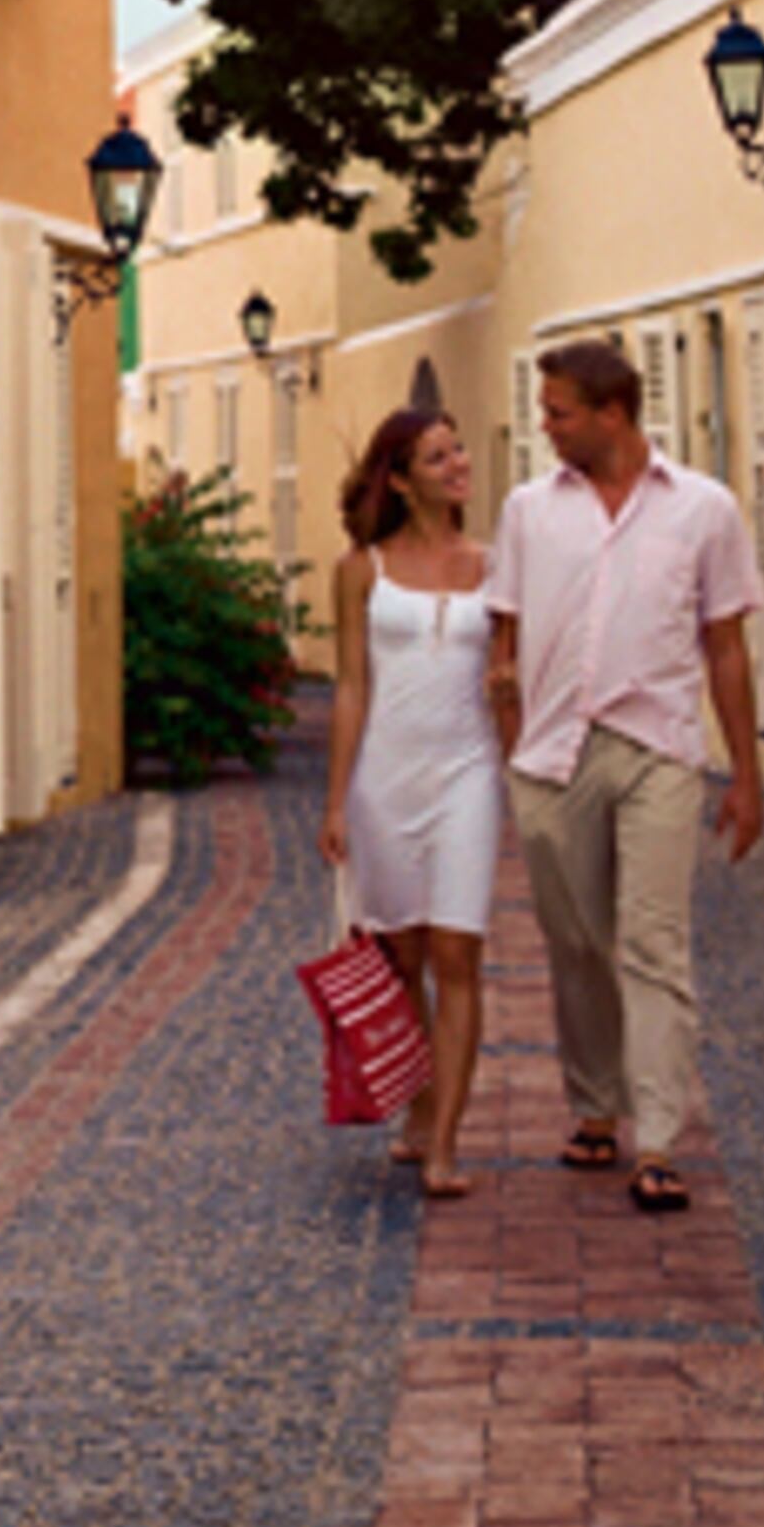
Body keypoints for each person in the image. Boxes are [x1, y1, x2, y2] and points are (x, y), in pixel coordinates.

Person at [481, 338, 764, 1215]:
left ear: (612, 414)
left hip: (658, 749)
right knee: (577, 944)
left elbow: (726, 647)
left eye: (559, 411)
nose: (545, 425)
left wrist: (746, 778)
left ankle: (658, 1139)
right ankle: (594, 1104)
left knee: (652, 941)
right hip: (551, 755)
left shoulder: (704, 511)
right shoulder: (529, 510)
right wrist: (510, 746)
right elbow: (503, 640)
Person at [317, 407, 503, 1200]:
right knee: (403, 956)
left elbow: (512, 668)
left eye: (458, 450)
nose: (459, 463)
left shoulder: (495, 567)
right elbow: (353, 687)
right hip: (384, 776)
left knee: (459, 952)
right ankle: (421, 1103)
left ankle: (446, 1146)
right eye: (438, 455)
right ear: (399, 478)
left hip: (467, 771)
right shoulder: (362, 569)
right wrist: (335, 801)